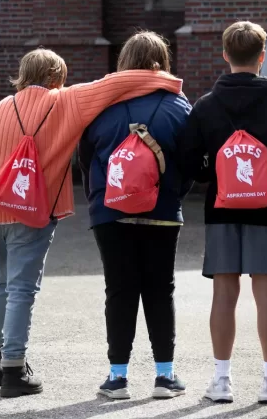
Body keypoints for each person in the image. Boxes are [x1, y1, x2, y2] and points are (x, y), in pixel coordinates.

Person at [0, 49, 183, 397]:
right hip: (30, 211)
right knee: (22, 289)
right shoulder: (63, 101)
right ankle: (12, 369)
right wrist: (167, 81)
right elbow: (116, 82)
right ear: (56, 78)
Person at [178, 21, 267, 404]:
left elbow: (190, 162)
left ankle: (221, 381)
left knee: (224, 292)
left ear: (225, 55)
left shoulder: (206, 105)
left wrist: (213, 174)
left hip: (222, 208)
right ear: (262, 57)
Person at [78, 32, 192, 400]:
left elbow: (85, 159)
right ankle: (165, 376)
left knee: (120, 290)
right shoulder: (178, 106)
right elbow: (189, 163)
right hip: (162, 213)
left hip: (111, 213)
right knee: (161, 290)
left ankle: (117, 378)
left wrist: (98, 201)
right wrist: (173, 194)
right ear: (162, 63)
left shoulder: (100, 105)